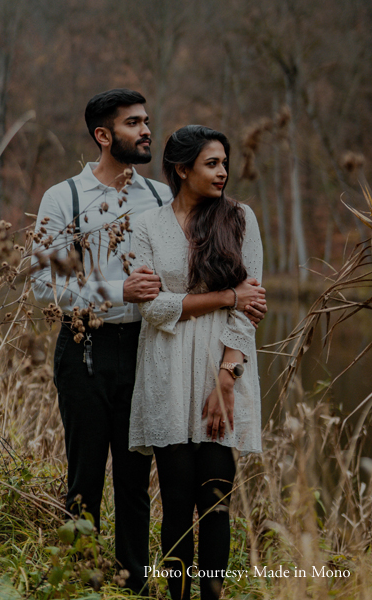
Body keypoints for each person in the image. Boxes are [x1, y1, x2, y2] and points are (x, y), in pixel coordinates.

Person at [32, 92, 266, 595]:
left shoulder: (162, 198)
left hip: (149, 349)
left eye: (147, 121)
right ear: (103, 135)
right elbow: (41, 286)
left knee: (137, 481)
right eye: (133, 123)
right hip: (86, 348)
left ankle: (134, 583)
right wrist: (118, 290)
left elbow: (193, 280)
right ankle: (83, 582)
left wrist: (230, 329)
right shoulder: (63, 198)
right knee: (85, 476)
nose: (145, 130)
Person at [129, 125, 264, 600]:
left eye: (225, 162)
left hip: (220, 369)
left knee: (215, 502)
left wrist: (226, 379)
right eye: (212, 163)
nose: (223, 171)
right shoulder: (147, 226)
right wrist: (226, 294)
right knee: (177, 501)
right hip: (165, 371)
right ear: (182, 169)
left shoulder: (241, 219)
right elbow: (154, 309)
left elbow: (249, 312)